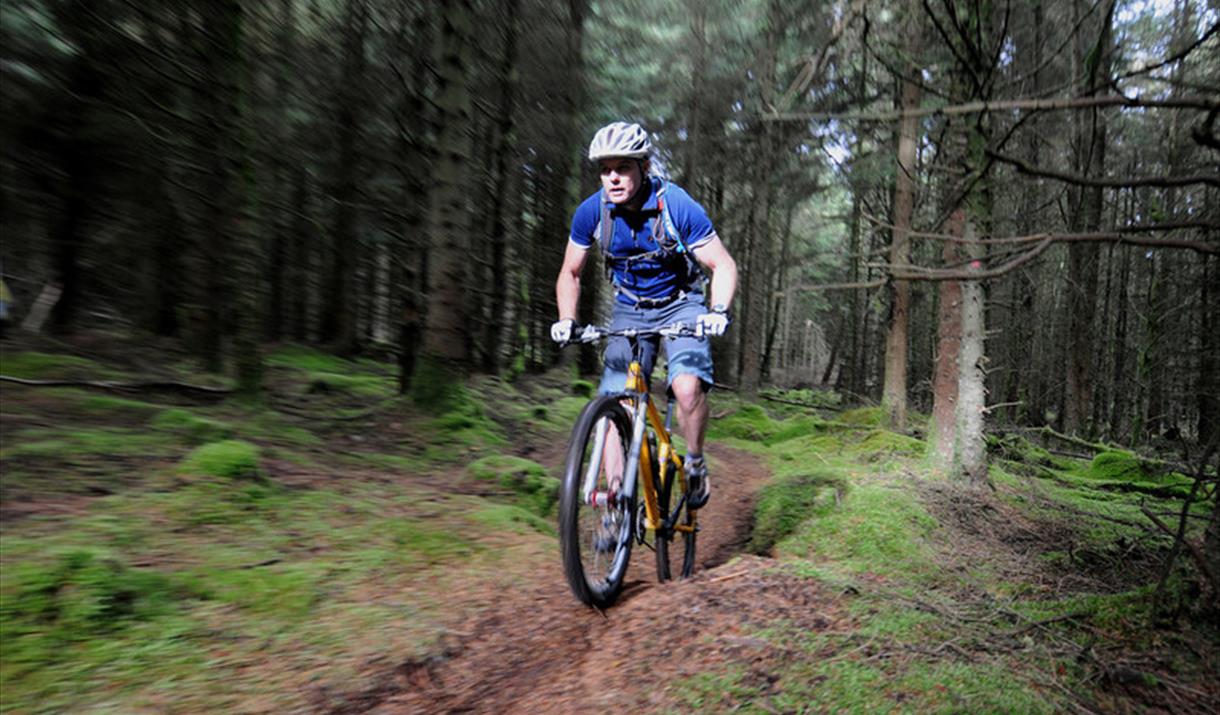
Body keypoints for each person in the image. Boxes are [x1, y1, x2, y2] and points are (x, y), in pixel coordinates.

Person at [552, 121, 738, 509]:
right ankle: (615, 503)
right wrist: (567, 319)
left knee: (687, 389)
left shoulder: (676, 205)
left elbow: (722, 265)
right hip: (630, 308)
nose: (613, 178)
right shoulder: (592, 213)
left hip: (681, 302)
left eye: (623, 168)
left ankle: (696, 461)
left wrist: (717, 310)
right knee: (613, 404)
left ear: (644, 167)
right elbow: (570, 272)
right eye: (605, 170)